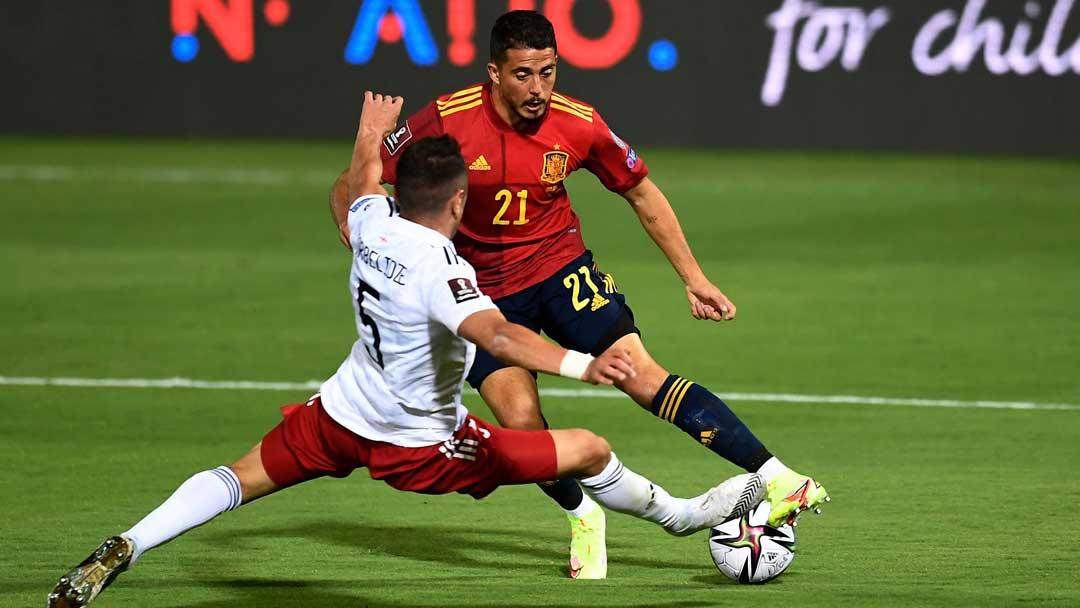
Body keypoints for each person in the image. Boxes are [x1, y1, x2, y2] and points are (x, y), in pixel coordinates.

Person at [47, 93, 765, 608]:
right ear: (457, 204)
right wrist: (585, 363)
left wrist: (370, 135)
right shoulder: (444, 268)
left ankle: (128, 543)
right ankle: (683, 516)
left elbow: (358, 186)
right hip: (420, 446)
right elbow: (499, 336)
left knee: (235, 479)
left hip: (337, 416)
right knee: (587, 447)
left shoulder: (370, 226)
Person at [364, 10, 830, 579]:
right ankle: (583, 514)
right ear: (493, 73)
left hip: (561, 270)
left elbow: (642, 193)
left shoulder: (579, 122)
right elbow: (370, 176)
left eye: (548, 72)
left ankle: (779, 477)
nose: (538, 89)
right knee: (521, 425)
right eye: (523, 75)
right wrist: (358, 230)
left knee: (641, 373)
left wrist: (694, 277)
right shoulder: (446, 118)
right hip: (479, 295)